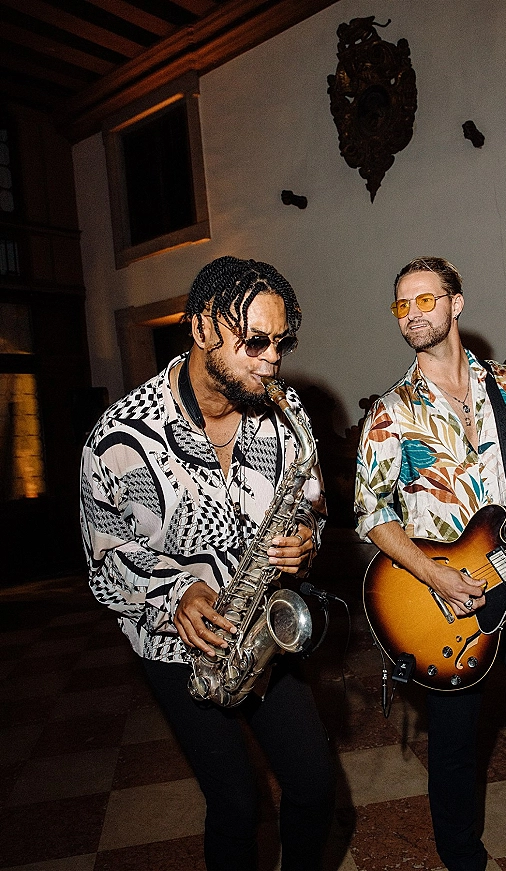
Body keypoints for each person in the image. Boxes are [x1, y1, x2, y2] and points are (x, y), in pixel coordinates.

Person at [80, 256, 335, 871]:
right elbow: (104, 560)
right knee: (236, 805)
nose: (271, 361)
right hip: (178, 648)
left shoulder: (287, 417)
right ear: (200, 327)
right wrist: (177, 594)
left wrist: (305, 541)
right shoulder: (120, 440)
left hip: (261, 626)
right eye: (254, 342)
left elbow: (312, 508)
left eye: (280, 344)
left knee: (315, 786)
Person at [354, 256, 506, 871]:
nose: (412, 313)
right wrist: (435, 574)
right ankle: (463, 861)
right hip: (444, 606)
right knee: (454, 749)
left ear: (456, 304)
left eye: (425, 299)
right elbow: (372, 513)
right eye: (402, 304)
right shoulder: (391, 411)